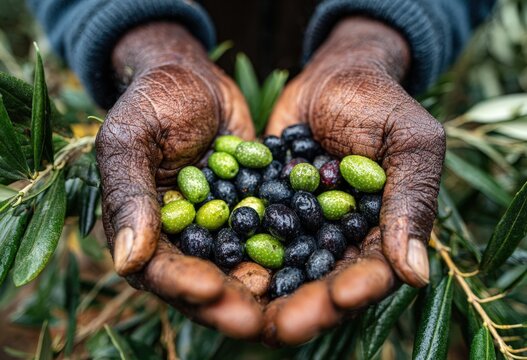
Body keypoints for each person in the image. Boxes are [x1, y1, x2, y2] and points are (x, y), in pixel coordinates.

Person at [27, 0, 495, 346]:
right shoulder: (248, 196)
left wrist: (373, 38)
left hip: (334, 81)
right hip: (196, 98)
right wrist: (147, 40)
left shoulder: (296, 188)